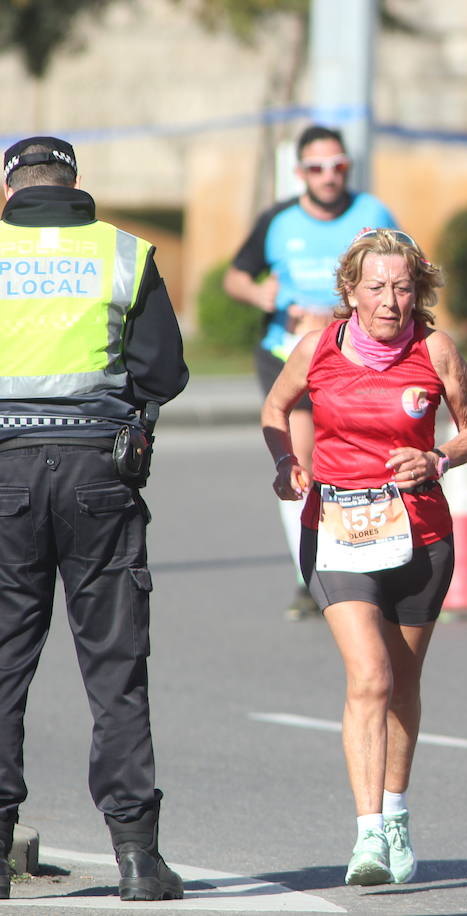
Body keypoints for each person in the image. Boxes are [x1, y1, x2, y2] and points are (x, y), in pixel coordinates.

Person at [261, 227, 467, 885]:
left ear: (419, 290)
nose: (392, 301)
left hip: (420, 535)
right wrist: (285, 462)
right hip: (336, 530)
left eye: (404, 288)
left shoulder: (436, 349)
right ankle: (366, 838)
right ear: (351, 290)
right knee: (371, 677)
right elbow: (277, 407)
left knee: (404, 684)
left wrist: (439, 457)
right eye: (378, 287)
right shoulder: (318, 348)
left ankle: (395, 814)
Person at [0, 136, 188, 901]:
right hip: (97, 474)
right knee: (115, 668)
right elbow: (165, 372)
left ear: (9, 186)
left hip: (4, 468)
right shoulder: (124, 253)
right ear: (76, 184)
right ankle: (138, 860)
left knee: (4, 663)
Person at [226, 124, 398, 620]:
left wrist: (349, 315)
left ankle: (373, 559)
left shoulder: (373, 215)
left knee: (364, 456)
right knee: (302, 461)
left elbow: (408, 269)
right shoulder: (278, 220)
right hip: (291, 353)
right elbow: (236, 276)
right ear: (299, 172)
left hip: (360, 357)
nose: (328, 176)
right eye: (317, 167)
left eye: (338, 165)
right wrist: (264, 295)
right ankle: (312, 572)